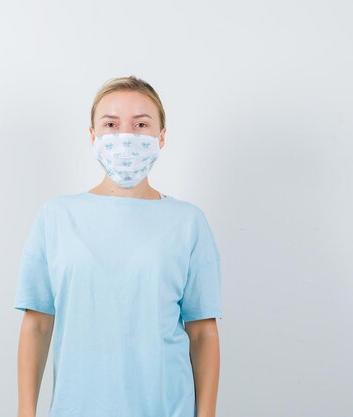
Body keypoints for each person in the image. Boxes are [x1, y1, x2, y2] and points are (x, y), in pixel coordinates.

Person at [13, 75, 223, 417]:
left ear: (161, 137)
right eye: (111, 124)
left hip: (166, 408)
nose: (126, 136)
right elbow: (37, 323)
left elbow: (201, 331)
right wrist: (26, 412)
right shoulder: (57, 216)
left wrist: (207, 414)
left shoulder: (188, 222)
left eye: (141, 124)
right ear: (93, 136)